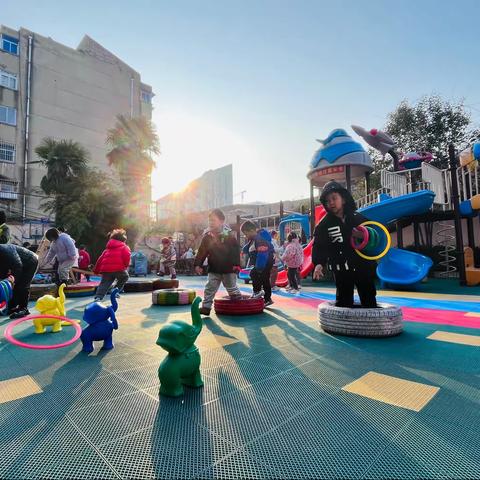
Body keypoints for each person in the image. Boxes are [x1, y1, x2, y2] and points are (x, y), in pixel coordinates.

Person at [312, 180, 377, 307]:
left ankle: (372, 323)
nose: (330, 202)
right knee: (343, 300)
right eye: (327, 201)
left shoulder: (358, 218)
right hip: (341, 268)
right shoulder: (324, 225)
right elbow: (319, 245)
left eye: (334, 198)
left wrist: (362, 235)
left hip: (362, 265)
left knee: (368, 296)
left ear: (344, 199)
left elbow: (374, 235)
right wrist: (319, 263)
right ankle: (342, 325)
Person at [194, 209, 242, 315]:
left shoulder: (228, 234)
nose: (211, 223)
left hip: (228, 268)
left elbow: (235, 250)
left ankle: (239, 303)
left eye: (213, 220)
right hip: (214, 268)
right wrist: (198, 264)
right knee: (209, 287)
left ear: (221, 221)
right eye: (209, 220)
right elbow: (202, 252)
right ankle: (206, 307)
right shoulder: (207, 236)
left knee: (231, 287)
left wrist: (236, 264)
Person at [241, 220, 275, 307]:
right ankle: (267, 298)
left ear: (252, 231)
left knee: (255, 274)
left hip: (265, 262)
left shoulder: (260, 240)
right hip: (264, 262)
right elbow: (249, 247)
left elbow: (262, 254)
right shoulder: (253, 239)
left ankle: (258, 292)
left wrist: (259, 267)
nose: (245, 236)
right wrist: (243, 251)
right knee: (264, 278)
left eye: (246, 234)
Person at [0, 243, 39, 319]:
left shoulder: (6, 251)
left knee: (22, 285)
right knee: (9, 285)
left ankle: (23, 308)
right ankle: (11, 307)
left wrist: (12, 281)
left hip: (30, 261)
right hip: (16, 264)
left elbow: (18, 265)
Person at [93, 229, 131, 301]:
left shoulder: (107, 249)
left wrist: (96, 270)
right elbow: (127, 257)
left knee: (104, 283)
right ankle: (115, 290)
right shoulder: (124, 247)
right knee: (125, 276)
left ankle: (98, 297)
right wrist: (125, 266)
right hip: (119, 269)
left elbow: (100, 260)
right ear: (123, 240)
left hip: (106, 270)